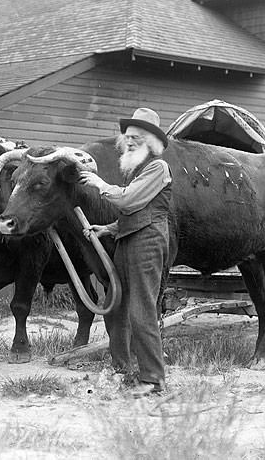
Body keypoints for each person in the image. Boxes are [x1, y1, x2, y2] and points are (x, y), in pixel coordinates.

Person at [79, 107, 172, 397]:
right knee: (116, 306)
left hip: (147, 244)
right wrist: (107, 230)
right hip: (128, 240)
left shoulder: (158, 168)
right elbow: (132, 215)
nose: (129, 142)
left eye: (137, 138)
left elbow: (130, 201)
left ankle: (154, 379)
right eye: (128, 137)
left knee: (141, 311)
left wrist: (99, 185)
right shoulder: (137, 170)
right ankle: (123, 369)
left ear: (151, 142)